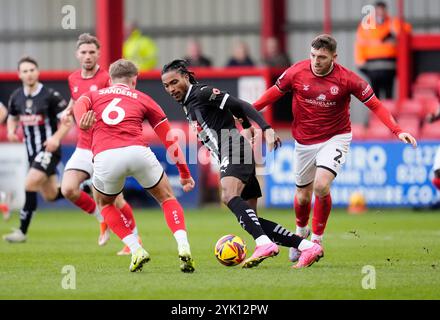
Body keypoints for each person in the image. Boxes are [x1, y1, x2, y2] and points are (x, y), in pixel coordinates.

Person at [252, 34, 417, 262]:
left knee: (321, 186)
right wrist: (245, 110)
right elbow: (270, 95)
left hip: (335, 138)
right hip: (303, 142)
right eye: (312, 55)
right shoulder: (296, 72)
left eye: (321, 57)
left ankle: (316, 240)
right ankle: (301, 233)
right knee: (301, 197)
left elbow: (376, 105)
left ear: (333, 57)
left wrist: (398, 130)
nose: (315, 61)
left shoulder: (348, 79)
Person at [161, 59, 323, 269]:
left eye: (174, 82)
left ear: (185, 76)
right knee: (251, 219)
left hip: (233, 147)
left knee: (228, 196)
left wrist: (265, 127)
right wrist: (246, 125)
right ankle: (307, 246)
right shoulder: (188, 103)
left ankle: (264, 244)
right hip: (235, 151)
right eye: (166, 86)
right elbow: (230, 112)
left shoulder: (201, 93)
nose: (171, 89)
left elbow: (239, 104)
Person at [73, 59, 196, 273]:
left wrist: (81, 118)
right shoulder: (144, 99)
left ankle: (136, 248)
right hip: (138, 152)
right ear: (134, 81)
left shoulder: (94, 95)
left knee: (105, 204)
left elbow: (79, 104)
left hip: (106, 156)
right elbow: (169, 139)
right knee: (167, 198)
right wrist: (184, 173)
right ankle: (183, 246)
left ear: (110, 80)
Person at [62, 33, 138, 254]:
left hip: (104, 146)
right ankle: (101, 217)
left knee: (117, 199)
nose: (87, 56)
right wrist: (69, 110)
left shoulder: (107, 78)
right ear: (77, 54)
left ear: (99, 54)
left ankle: (134, 239)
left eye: (92, 52)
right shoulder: (73, 79)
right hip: (83, 146)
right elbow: (76, 99)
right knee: (68, 189)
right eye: (84, 52)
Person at [3, 56, 69, 243]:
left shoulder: (50, 95)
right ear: (19, 75)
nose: (29, 74)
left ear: (37, 72)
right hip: (32, 152)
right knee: (50, 195)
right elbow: (12, 117)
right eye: (25, 71)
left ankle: (22, 232)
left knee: (29, 183)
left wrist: (55, 138)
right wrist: (10, 131)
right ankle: (86, 188)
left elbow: (67, 120)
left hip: (49, 150)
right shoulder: (16, 96)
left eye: (32, 70)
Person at [355, 1, 411, 99]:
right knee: (375, 96)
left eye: (382, 10)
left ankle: (388, 113)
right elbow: (360, 44)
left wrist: (396, 31)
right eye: (378, 10)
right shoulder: (366, 25)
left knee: (389, 94)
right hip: (372, 67)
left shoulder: (393, 23)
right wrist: (360, 62)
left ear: (386, 11)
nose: (380, 13)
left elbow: (407, 31)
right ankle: (378, 114)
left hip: (390, 66)